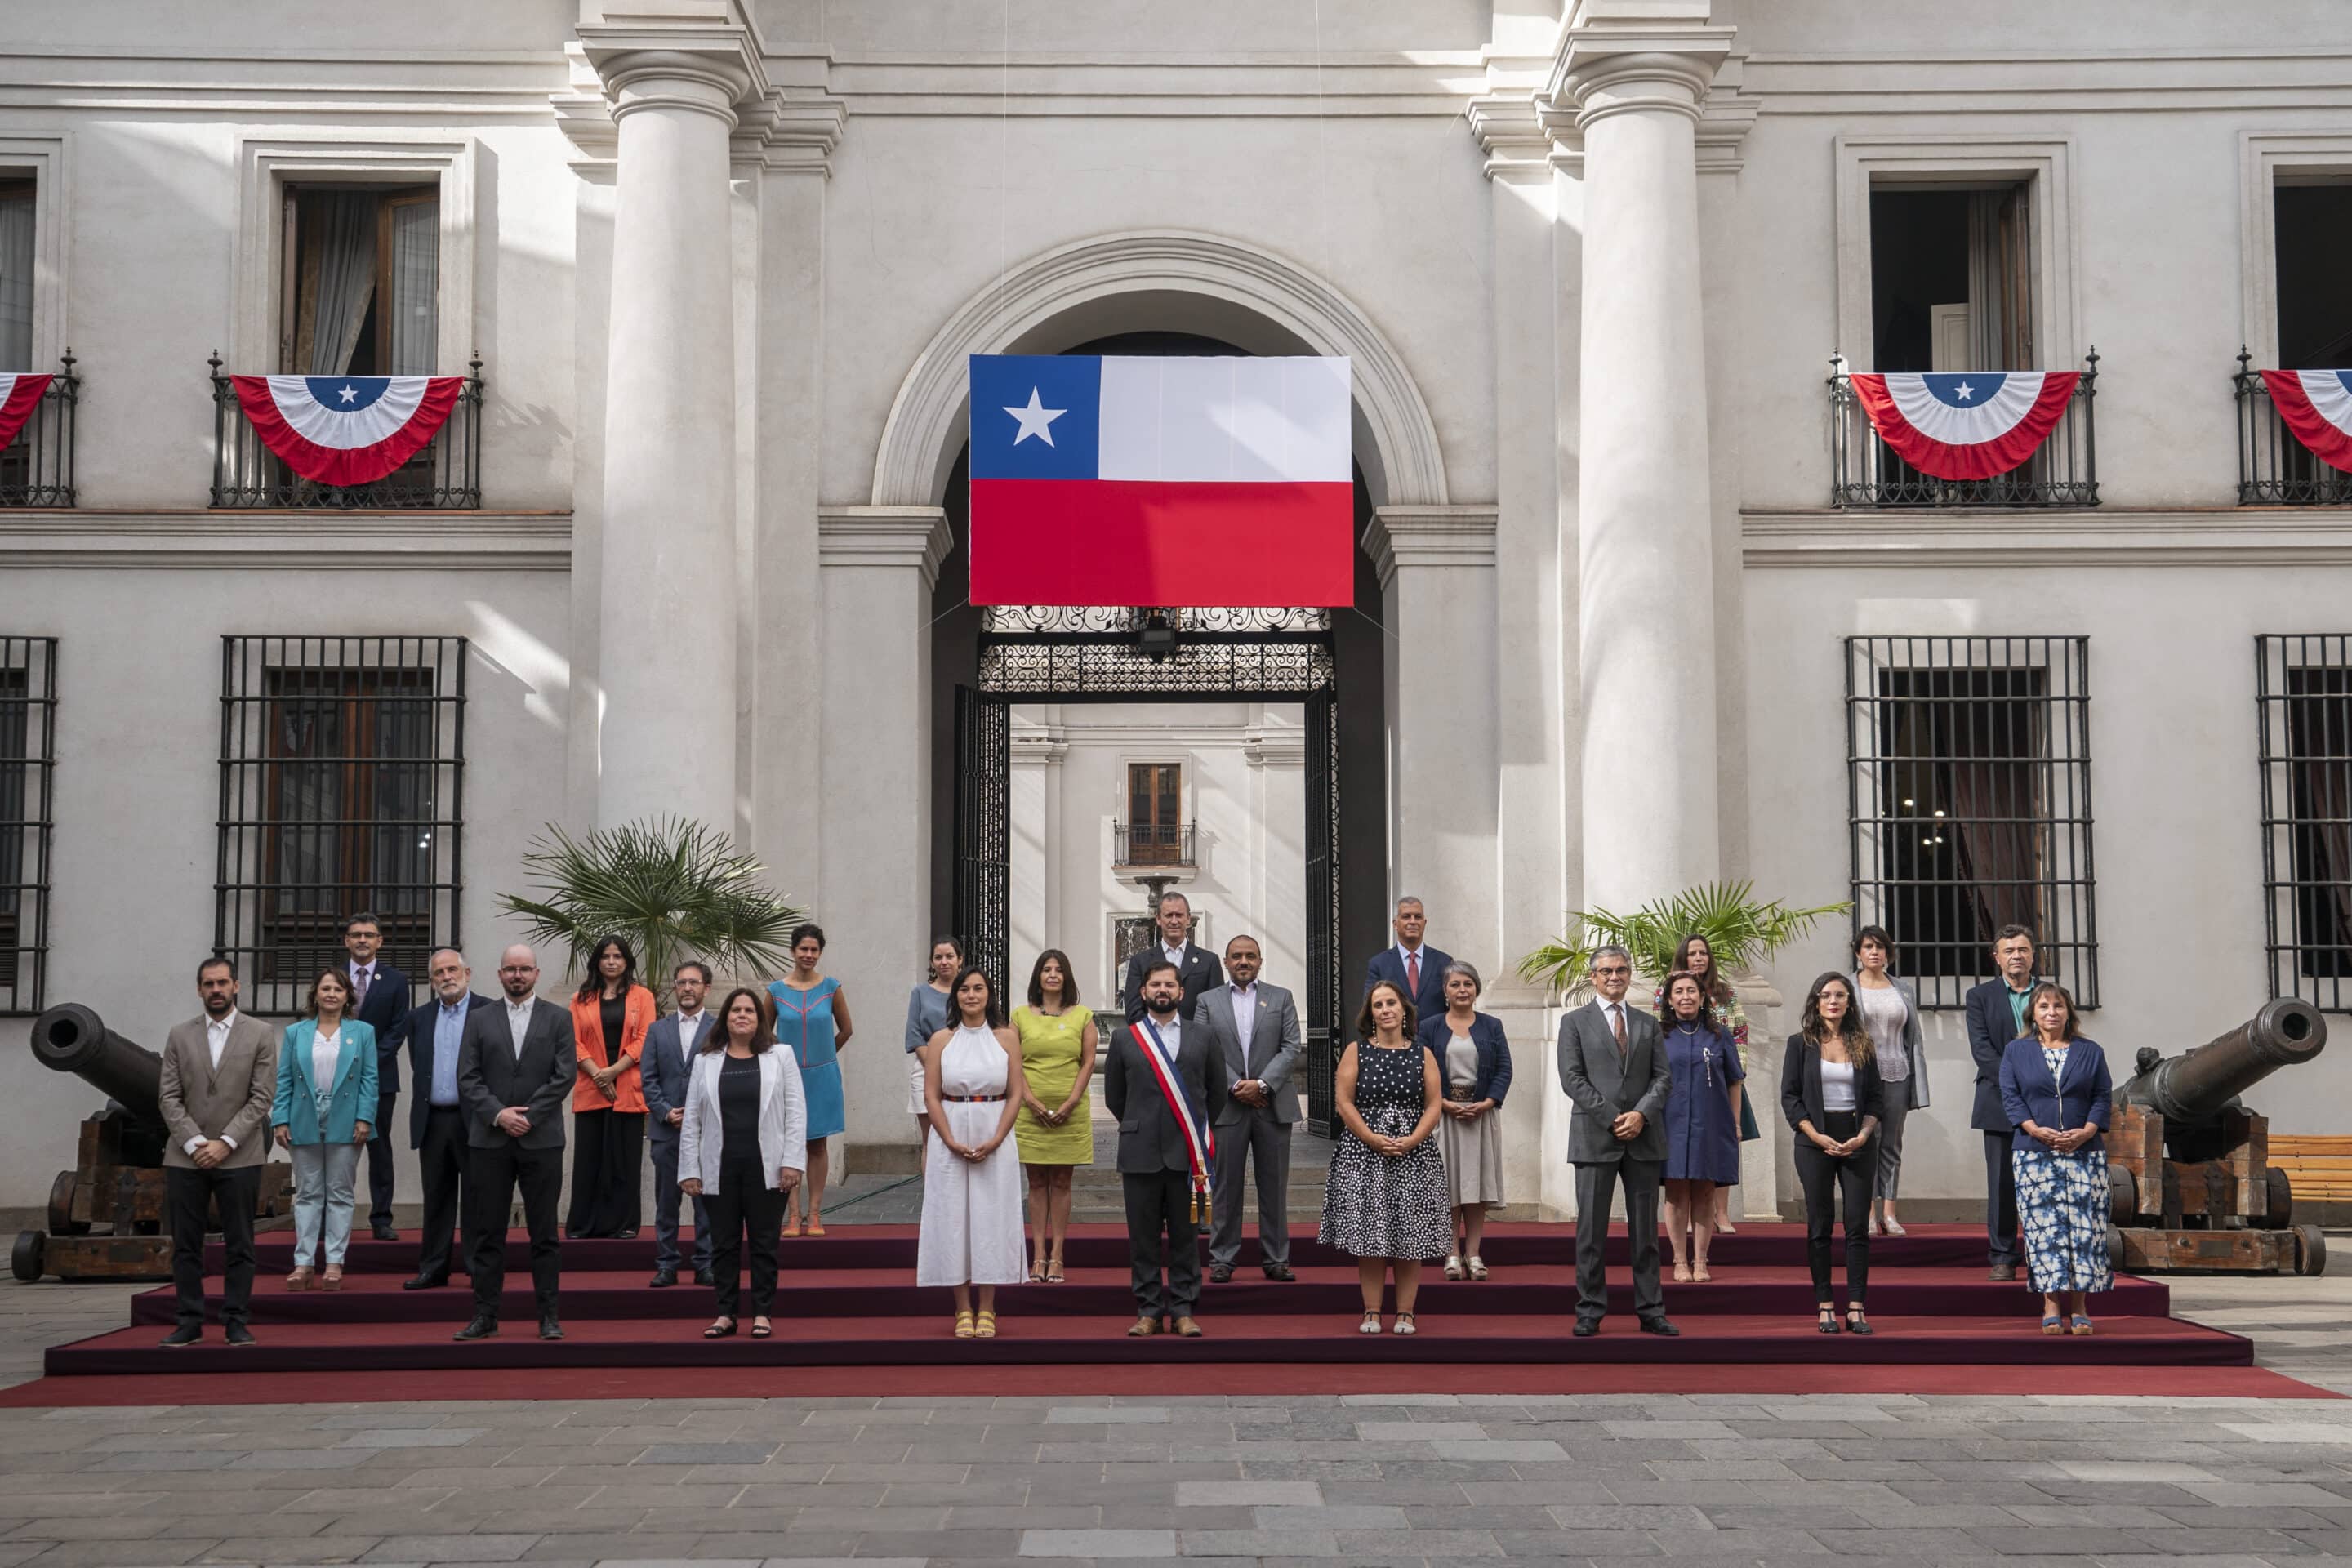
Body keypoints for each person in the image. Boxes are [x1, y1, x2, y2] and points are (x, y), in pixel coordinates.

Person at [454, 944, 575, 1343]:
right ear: (499, 973)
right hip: (489, 1141)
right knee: (488, 1232)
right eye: (510, 969)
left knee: (544, 1234)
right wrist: (500, 1114)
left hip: (541, 1141)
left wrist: (528, 1116)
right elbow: (467, 1077)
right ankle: (485, 1315)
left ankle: (549, 1316)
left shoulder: (558, 1018)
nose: (517, 975)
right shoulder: (479, 1019)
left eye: (524, 969)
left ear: (537, 974)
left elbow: (564, 1075)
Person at [156, 956, 279, 1348]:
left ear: (236, 986)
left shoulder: (259, 1033)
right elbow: (168, 1096)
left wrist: (225, 1142)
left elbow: (262, 1097)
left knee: (241, 1243)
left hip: (239, 1155)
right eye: (208, 984)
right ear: (199, 989)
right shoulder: (179, 1035)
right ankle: (189, 1320)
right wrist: (195, 1143)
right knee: (186, 1244)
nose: (216, 990)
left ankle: (236, 1320)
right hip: (185, 1157)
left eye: (222, 983)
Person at [1557, 945, 1677, 1338]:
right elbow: (1572, 1079)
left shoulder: (1647, 1023)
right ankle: (1589, 1309)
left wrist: (1641, 1115)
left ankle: (1651, 1310)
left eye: (1621, 970)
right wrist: (1613, 1118)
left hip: (1643, 1138)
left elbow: (1663, 1077)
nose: (1614, 977)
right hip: (1595, 1138)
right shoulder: (1574, 1022)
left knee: (1645, 1232)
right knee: (1591, 1231)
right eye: (1606, 971)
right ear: (1593, 977)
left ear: (1629, 975)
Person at [1321, 979, 1450, 1333]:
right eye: (1378, 1005)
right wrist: (1371, 1138)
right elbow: (1344, 1102)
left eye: (1391, 1003)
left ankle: (1406, 1312)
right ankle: (1372, 1310)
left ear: (1404, 1009)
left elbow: (1434, 1104)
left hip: (1414, 1156)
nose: (1386, 1010)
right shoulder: (1356, 1051)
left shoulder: (1422, 1053)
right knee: (1371, 1233)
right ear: (1370, 1014)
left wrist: (1412, 1140)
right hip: (1365, 1155)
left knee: (1411, 1233)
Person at [679, 986, 808, 1339]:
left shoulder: (781, 1055)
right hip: (718, 1167)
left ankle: (762, 1314)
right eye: (735, 1010)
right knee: (723, 1243)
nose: (742, 1016)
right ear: (725, 1018)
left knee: (765, 1243)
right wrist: (689, 1168)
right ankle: (726, 1313)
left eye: (749, 1011)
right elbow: (692, 1117)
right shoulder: (706, 1060)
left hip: (766, 1166)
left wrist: (793, 1162)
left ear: (759, 1018)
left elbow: (796, 1113)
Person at [1106, 960, 1226, 1336]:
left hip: (1186, 1154)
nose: (1163, 990)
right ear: (1142, 992)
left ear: (1181, 992)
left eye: (1169, 985)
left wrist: (1190, 1131)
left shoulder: (1203, 1037)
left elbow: (1216, 1094)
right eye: (1155, 984)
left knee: (1186, 1236)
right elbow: (1115, 1097)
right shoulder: (1126, 1038)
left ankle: (1184, 1310)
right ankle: (1148, 1310)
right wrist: (1144, 1125)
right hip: (1140, 1152)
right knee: (1142, 1238)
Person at [916, 965, 1027, 1339]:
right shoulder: (940, 1040)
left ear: (989, 994)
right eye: (965, 989)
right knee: (953, 1217)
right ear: (956, 996)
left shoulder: (1007, 1038)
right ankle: (962, 1307)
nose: (971, 995)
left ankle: (988, 1307)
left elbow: (1015, 1093)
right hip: (951, 1132)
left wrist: (997, 1138)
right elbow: (931, 1094)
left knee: (990, 1218)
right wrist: (946, 1139)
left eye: (979, 989)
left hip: (994, 1129)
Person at [2000, 981, 2113, 1335]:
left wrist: (2088, 1131)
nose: (2052, 1013)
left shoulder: (2090, 1051)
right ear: (2032, 1013)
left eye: (2058, 1006)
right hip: (2034, 1154)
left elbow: (2102, 1095)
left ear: (2069, 1012)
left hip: (2084, 1154)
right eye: (2044, 1006)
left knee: (2083, 1230)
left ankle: (2080, 1307)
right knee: (2043, 1231)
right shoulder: (2016, 1051)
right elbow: (2011, 1095)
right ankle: (2050, 1304)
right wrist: (2034, 1129)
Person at [1782, 972, 1885, 1335]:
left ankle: (1856, 1306)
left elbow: (1875, 1098)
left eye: (1840, 995)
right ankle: (1825, 1304)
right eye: (1826, 995)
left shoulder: (1863, 1043)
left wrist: (1862, 1134)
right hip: (1814, 1141)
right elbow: (1790, 1099)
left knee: (1857, 1227)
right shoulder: (1800, 1044)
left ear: (1849, 1003)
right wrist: (1816, 1135)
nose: (1833, 1001)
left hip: (1857, 1141)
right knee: (1819, 1226)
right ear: (1815, 1001)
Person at [1203, 934, 1304, 1284]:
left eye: (1250, 956)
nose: (1243, 962)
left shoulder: (1281, 997)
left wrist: (1261, 1085)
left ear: (1260, 961)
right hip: (1227, 1107)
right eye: (1236, 956)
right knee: (1226, 1187)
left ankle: (1276, 1258)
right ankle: (1222, 1259)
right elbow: (1205, 1048)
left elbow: (1292, 1047)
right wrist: (1236, 1086)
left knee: (1274, 1186)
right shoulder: (1207, 1001)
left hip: (1272, 1106)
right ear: (1226, 962)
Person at [270, 969, 378, 1291]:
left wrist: (365, 1117)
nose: (331, 994)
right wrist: (280, 1119)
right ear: (315, 994)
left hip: (347, 1120)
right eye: (325, 988)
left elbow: (370, 1080)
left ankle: (334, 1262)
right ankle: (303, 1264)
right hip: (303, 1117)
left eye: (338, 989)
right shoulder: (296, 1033)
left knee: (341, 1194)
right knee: (307, 1194)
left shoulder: (363, 1032)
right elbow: (285, 1079)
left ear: (348, 996)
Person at [395, 948, 493, 1291]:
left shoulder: (490, 1011)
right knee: (436, 1197)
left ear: (467, 973)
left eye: (453, 970)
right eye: (439, 973)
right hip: (434, 1119)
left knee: (477, 1197)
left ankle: (476, 1266)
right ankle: (433, 1268)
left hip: (476, 1120)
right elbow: (419, 1068)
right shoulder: (418, 1018)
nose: (447, 977)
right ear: (431, 980)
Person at [1414, 960, 1511, 1281]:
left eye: (1468, 984)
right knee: (1450, 1187)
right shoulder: (1429, 1027)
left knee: (1477, 1186)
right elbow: (1420, 1071)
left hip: (1481, 1117)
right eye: (1455, 984)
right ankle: (1451, 1253)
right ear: (1445, 991)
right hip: (1443, 1117)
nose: (1462, 990)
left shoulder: (1492, 1025)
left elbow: (1504, 1069)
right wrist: (1442, 1103)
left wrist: (1487, 1102)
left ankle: (1474, 1252)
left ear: (1476, 989)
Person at [1651, 933, 1753, 1235]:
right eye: (1692, 953)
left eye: (1703, 953)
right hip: (1681, 1082)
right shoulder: (1664, 991)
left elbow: (1740, 1031)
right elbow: (1660, 1029)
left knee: (1716, 1153)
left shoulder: (1725, 993)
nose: (1698, 958)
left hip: (1717, 1076)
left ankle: (1721, 1215)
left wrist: (1733, 1070)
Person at [1013, 948, 1096, 1284]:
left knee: (1062, 1181)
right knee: (1035, 1182)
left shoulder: (1083, 1015)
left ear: (1066, 977)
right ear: (1037, 976)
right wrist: (1030, 1101)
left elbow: (1088, 1061)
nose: (1052, 974)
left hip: (1070, 1112)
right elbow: (1012, 1062)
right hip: (1029, 1111)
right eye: (1046, 969)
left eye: (1058, 969)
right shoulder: (1020, 1016)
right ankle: (1038, 1256)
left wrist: (1071, 1102)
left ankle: (1058, 1256)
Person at [565, 934, 653, 1239]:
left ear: (627, 961)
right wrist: (598, 1074)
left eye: (617, 956)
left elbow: (645, 1038)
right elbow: (572, 1042)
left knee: (625, 1160)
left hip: (627, 1086)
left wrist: (614, 1071)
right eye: (606, 956)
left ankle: (625, 1223)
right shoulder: (581, 999)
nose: (612, 961)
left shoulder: (643, 997)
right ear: (597, 962)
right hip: (591, 1086)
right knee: (589, 1159)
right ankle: (583, 1225)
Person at [1659, 968, 1742, 1284]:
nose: (1685, 997)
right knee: (1676, 1192)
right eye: (1678, 991)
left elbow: (1735, 1082)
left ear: (1703, 996)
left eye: (1691, 991)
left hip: (1712, 1123)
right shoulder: (1659, 1036)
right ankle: (1680, 1260)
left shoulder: (1720, 1035)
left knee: (1706, 1192)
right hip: (1672, 1123)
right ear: (1669, 999)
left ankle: (1701, 1261)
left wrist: (1735, 1124)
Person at [1965, 925, 2038, 1281]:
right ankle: (2003, 1256)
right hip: (1998, 1102)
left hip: (2046, 1106)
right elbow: (1982, 1051)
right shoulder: (1979, 997)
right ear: (1997, 958)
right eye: (2009, 951)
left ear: (2033, 955)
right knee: (2002, 1183)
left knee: (2045, 1181)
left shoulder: (2053, 995)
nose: (2016, 956)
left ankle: (2044, 1252)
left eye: (2022, 950)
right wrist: (2021, 1083)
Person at [773, 921, 853, 1236]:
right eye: (803, 949)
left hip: (823, 1076)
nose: (808, 954)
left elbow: (847, 1030)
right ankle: (793, 1215)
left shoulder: (832, 987)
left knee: (817, 1144)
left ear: (820, 953)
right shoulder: (776, 991)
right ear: (793, 951)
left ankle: (815, 1213)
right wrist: (780, 1061)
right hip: (787, 1078)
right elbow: (763, 1032)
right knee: (790, 1145)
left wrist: (825, 1056)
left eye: (814, 950)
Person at [642, 960, 718, 1288]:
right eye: (681, 982)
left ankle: (706, 1263)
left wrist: (699, 1116)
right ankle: (667, 1264)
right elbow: (648, 1078)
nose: (687, 988)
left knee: (707, 1202)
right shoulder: (658, 1030)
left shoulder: (719, 1030)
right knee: (666, 1202)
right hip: (666, 1129)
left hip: (706, 1133)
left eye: (694, 982)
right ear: (675, 987)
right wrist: (664, 1111)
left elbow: (720, 1078)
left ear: (706, 988)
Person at [1852, 925, 1930, 1237]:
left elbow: (1914, 1037)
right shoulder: (1848, 986)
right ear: (1858, 952)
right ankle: (1868, 1212)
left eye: (1880, 947)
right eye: (1868, 946)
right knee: (1865, 1141)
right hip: (1862, 1076)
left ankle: (1890, 1212)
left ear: (1888, 953)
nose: (1875, 952)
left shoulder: (1902, 988)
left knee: (1892, 1143)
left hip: (1898, 1070)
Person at [342, 912, 410, 1243]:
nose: (363, 940)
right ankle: (334, 1215)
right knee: (337, 1148)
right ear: (347, 941)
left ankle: (381, 1219)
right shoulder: (334, 978)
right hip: (335, 1080)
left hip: (379, 1079)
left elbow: (398, 1029)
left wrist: (366, 1064)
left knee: (379, 1149)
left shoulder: (396, 981)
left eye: (369, 935)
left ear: (380, 941)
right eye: (356, 935)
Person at [1121, 890, 1224, 1022]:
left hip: (1196, 1041)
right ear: (1159, 919)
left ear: (1188, 919)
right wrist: (1158, 1035)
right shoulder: (1140, 962)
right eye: (1169, 915)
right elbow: (1133, 1012)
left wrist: (1194, 1037)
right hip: (1153, 1040)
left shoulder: (1209, 961)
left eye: (1179, 915)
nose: (1174, 921)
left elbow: (1216, 1011)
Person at [904, 936, 963, 1147]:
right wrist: (935, 1067)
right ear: (931, 962)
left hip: (964, 1070)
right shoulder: (920, 992)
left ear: (960, 960)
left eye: (950, 956)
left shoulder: (968, 992)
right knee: (932, 1142)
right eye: (938, 957)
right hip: (926, 1070)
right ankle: (930, 1182)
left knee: (958, 1137)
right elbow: (914, 1034)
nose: (944, 962)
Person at [1364, 895, 1451, 1023]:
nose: (1413, 921)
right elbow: (1369, 1006)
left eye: (1418, 917)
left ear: (1424, 923)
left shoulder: (1444, 962)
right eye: (1406, 917)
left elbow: (1453, 1005)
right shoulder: (1378, 964)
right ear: (1395, 924)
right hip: (1395, 1039)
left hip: (1435, 1040)